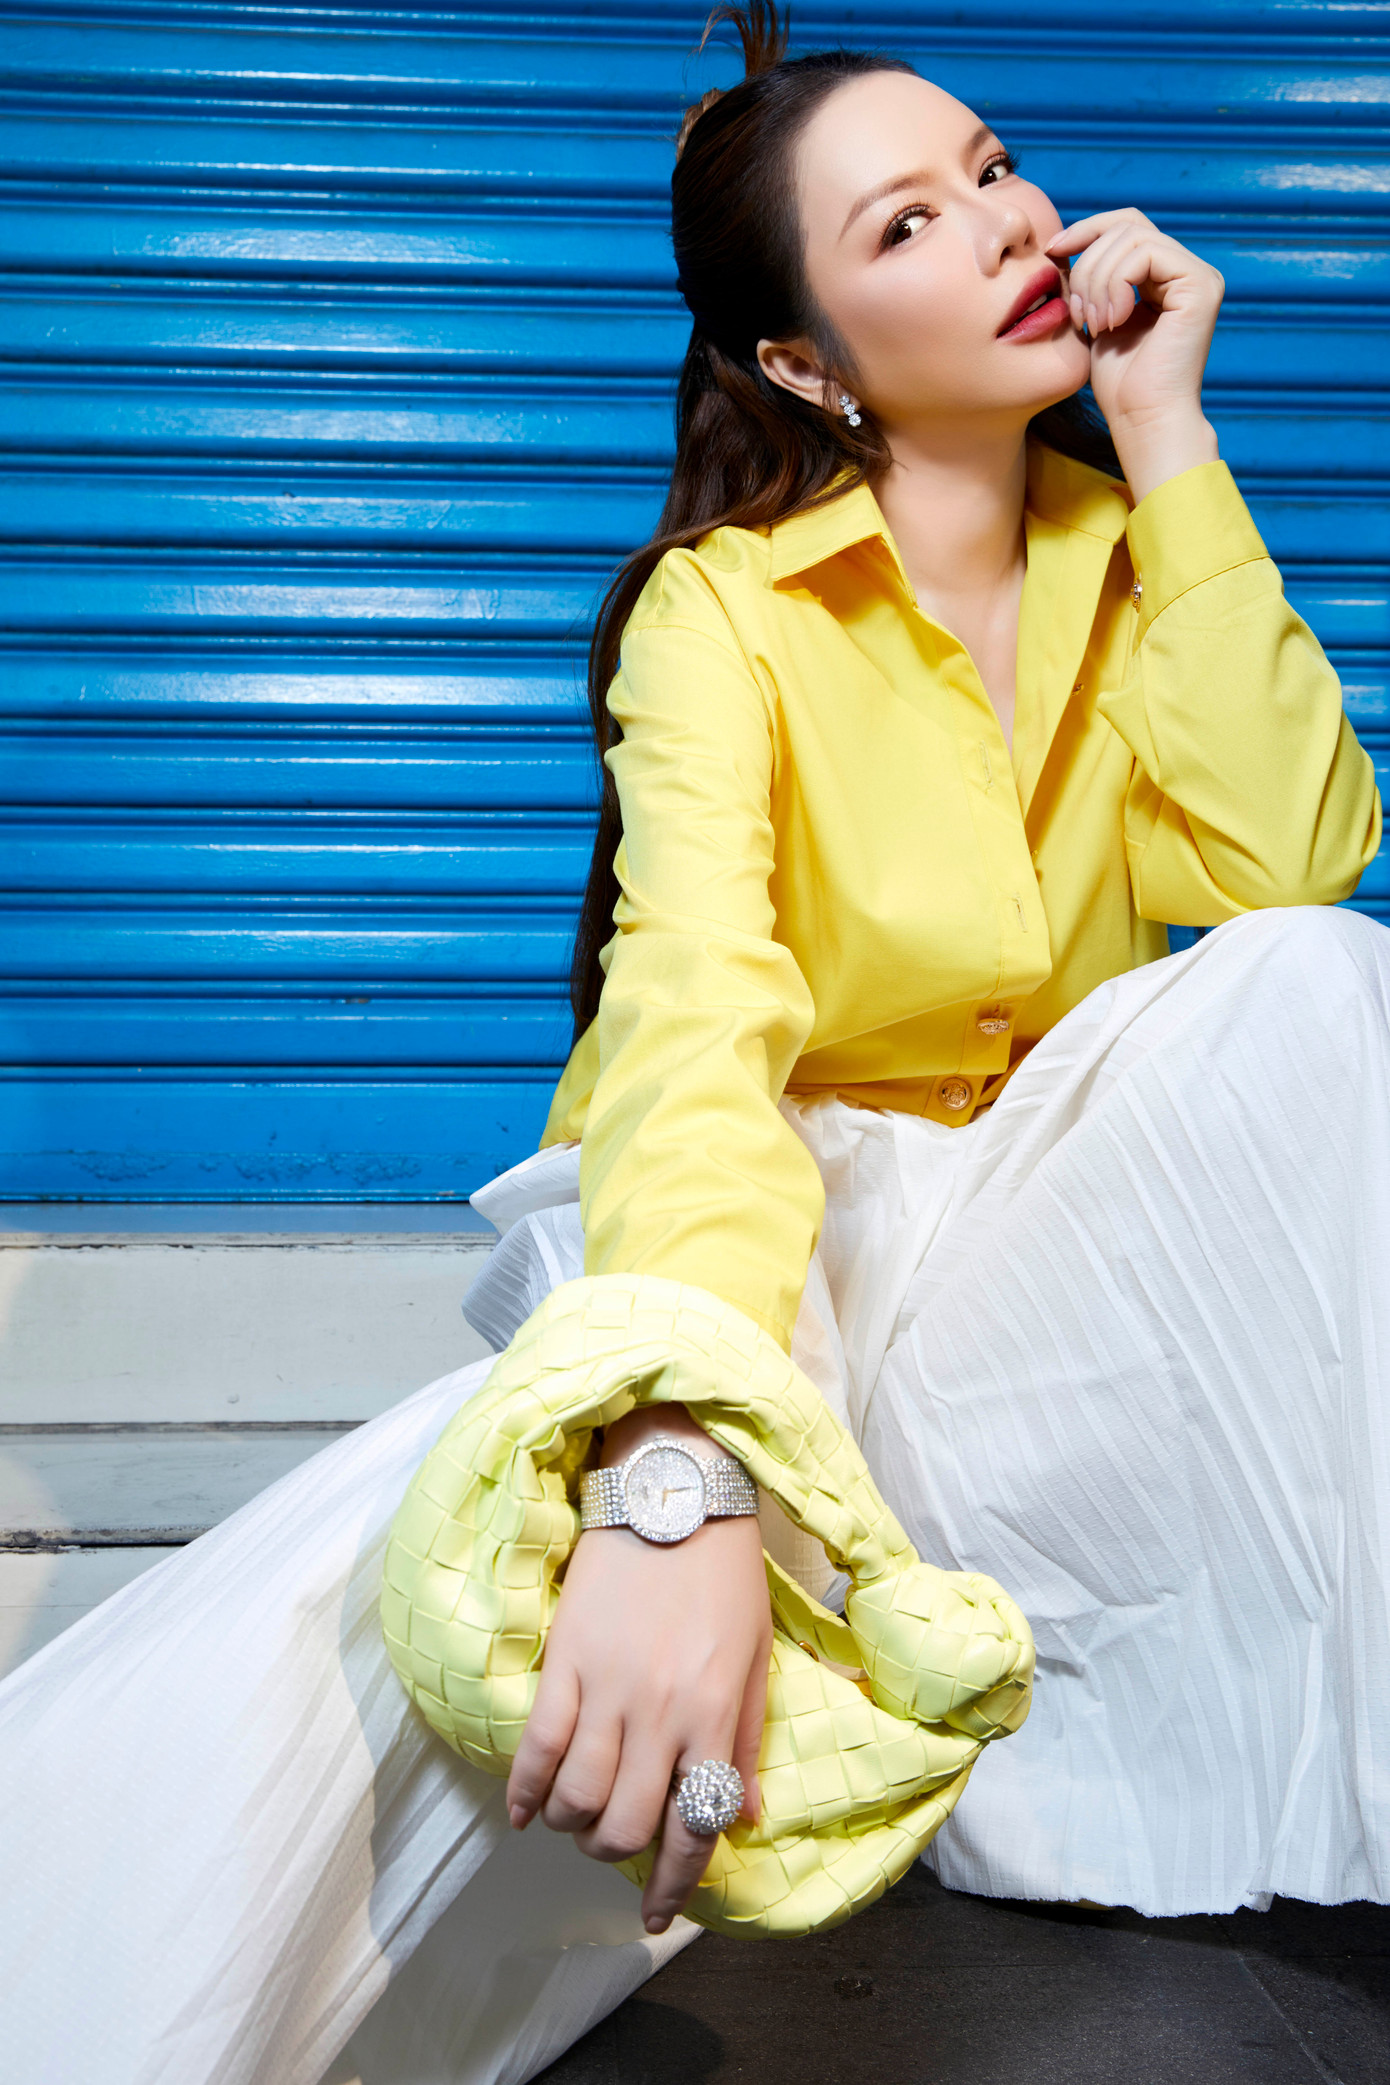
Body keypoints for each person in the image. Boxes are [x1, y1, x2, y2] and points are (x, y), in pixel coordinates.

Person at [1, 6, 1385, 2082]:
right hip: (762, 1229)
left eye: (991, 168)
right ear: (806, 364)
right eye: (904, 222)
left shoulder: (1136, 560)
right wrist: (681, 1454)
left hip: (1021, 1283)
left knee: (1308, 980)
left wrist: (1166, 429)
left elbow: (1292, 868)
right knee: (374, 1686)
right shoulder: (722, 610)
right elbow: (694, 1031)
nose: (1006, 224)